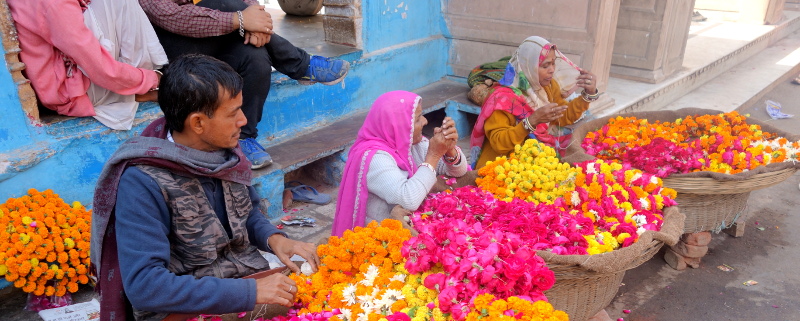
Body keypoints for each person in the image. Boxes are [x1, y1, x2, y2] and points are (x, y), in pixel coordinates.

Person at [90, 54, 320, 321]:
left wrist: (274, 239)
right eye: (233, 113)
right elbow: (145, 287)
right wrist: (248, 291)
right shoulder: (143, 182)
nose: (243, 120)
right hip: (183, 313)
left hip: (244, 280)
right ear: (198, 123)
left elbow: (246, 212)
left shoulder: (223, 152)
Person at [138, 0, 350, 169]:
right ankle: (301, 65)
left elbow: (248, 6)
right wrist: (239, 19)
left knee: (254, 55)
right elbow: (170, 17)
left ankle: (245, 138)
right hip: (173, 53)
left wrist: (254, 25)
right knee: (227, 4)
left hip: (214, 44)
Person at [7, 0, 167, 130]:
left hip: (64, 82)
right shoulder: (54, 5)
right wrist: (152, 78)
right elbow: (101, 70)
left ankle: (137, 81)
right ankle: (143, 84)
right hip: (72, 94)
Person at [331, 90, 467, 237]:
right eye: (417, 119)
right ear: (398, 125)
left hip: (405, 225)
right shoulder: (374, 157)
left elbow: (459, 172)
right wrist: (433, 155)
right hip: (380, 236)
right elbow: (408, 199)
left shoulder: (410, 144)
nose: (425, 122)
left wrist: (449, 150)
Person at [469, 36, 600, 168]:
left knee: (585, 151)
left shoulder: (547, 87)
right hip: (505, 163)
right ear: (528, 66)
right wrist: (531, 122)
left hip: (536, 154)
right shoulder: (503, 99)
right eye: (545, 65)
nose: (552, 70)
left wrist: (588, 95)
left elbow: (563, 116)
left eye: (553, 63)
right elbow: (499, 144)